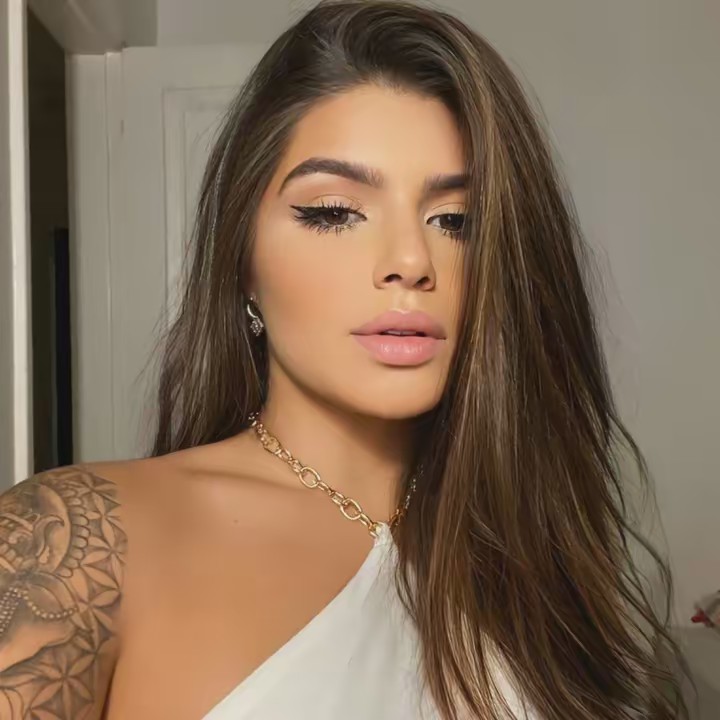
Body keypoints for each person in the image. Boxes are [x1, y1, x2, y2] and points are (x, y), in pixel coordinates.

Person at [0, 1, 692, 718]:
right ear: (242, 261)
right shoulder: (74, 546)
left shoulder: (545, 562)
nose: (410, 261)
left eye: (456, 221)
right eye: (333, 212)